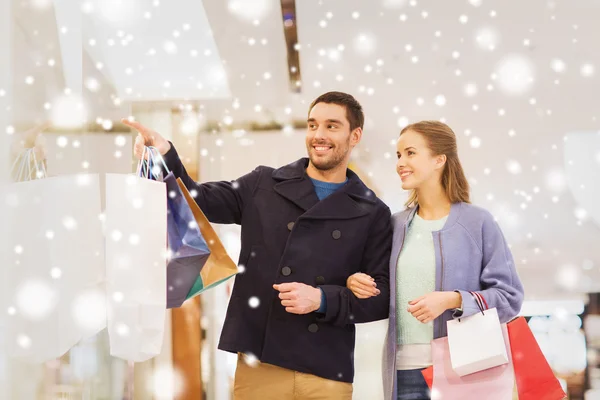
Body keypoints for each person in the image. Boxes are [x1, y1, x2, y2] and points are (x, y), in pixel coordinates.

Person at [124, 91, 392, 400]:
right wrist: (166, 153)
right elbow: (197, 200)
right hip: (260, 361)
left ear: (354, 135)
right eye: (313, 124)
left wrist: (321, 298)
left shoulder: (372, 212)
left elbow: (381, 298)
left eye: (332, 126)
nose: (319, 135)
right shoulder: (263, 184)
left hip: (326, 366)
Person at [346, 121, 524, 400]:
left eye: (410, 153)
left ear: (439, 159)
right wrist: (355, 281)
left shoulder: (478, 223)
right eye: (398, 155)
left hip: (465, 370)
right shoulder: (395, 225)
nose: (400, 163)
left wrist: (453, 299)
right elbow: (379, 287)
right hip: (404, 372)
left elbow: (510, 297)